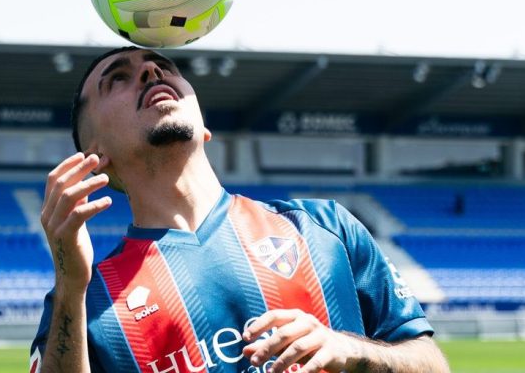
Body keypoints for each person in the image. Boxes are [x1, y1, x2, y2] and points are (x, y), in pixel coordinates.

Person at [30, 47, 449, 373]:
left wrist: (347, 350)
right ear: (95, 153)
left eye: (164, 67)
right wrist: (70, 284)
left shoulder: (325, 227)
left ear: (204, 125)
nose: (151, 72)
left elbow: (432, 362)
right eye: (117, 78)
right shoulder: (83, 299)